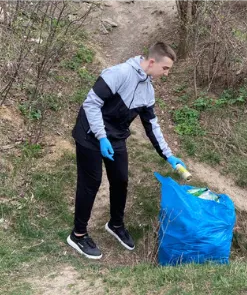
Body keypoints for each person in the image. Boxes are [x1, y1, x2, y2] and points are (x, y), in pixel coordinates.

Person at [67, 43, 186, 260]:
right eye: (165, 68)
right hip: (90, 134)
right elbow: (90, 104)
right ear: (152, 62)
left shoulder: (148, 91)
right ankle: (78, 234)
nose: (166, 74)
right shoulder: (119, 73)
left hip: (116, 137)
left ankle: (115, 224)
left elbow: (152, 126)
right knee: (90, 183)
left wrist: (169, 155)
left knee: (121, 179)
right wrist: (101, 137)